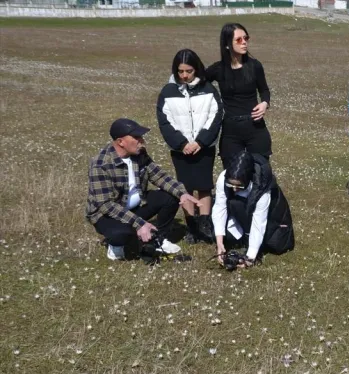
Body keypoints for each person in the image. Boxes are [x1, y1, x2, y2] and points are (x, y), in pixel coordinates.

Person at [86, 118, 200, 261]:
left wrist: (182, 193)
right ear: (121, 142)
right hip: (108, 215)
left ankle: (159, 239)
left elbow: (159, 176)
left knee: (170, 197)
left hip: (135, 205)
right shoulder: (101, 164)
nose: (142, 141)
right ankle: (115, 244)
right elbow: (106, 205)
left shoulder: (140, 154)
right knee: (123, 234)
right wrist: (140, 224)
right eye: (136, 137)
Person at [157, 48, 223, 244]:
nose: (184, 75)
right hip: (181, 149)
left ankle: (204, 223)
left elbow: (216, 115)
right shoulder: (168, 91)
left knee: (204, 186)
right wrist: (182, 143)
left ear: (197, 69)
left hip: (204, 147)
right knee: (185, 187)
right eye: (180, 71)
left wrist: (201, 141)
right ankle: (191, 226)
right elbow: (164, 120)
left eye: (189, 71)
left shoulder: (209, 89)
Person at [207, 23, 272, 168]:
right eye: (238, 39)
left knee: (260, 174)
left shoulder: (255, 66)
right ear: (227, 45)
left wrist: (264, 103)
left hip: (255, 128)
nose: (244, 42)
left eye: (246, 38)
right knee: (232, 177)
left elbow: (264, 90)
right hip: (231, 131)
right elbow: (198, 83)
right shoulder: (218, 69)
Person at [212, 151, 276, 268]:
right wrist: (219, 242)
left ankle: (250, 241)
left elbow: (259, 223)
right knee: (223, 234)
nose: (235, 189)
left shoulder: (262, 189)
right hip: (239, 213)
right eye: (231, 185)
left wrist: (250, 258)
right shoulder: (223, 178)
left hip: (267, 218)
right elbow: (219, 207)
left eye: (239, 186)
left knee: (275, 244)